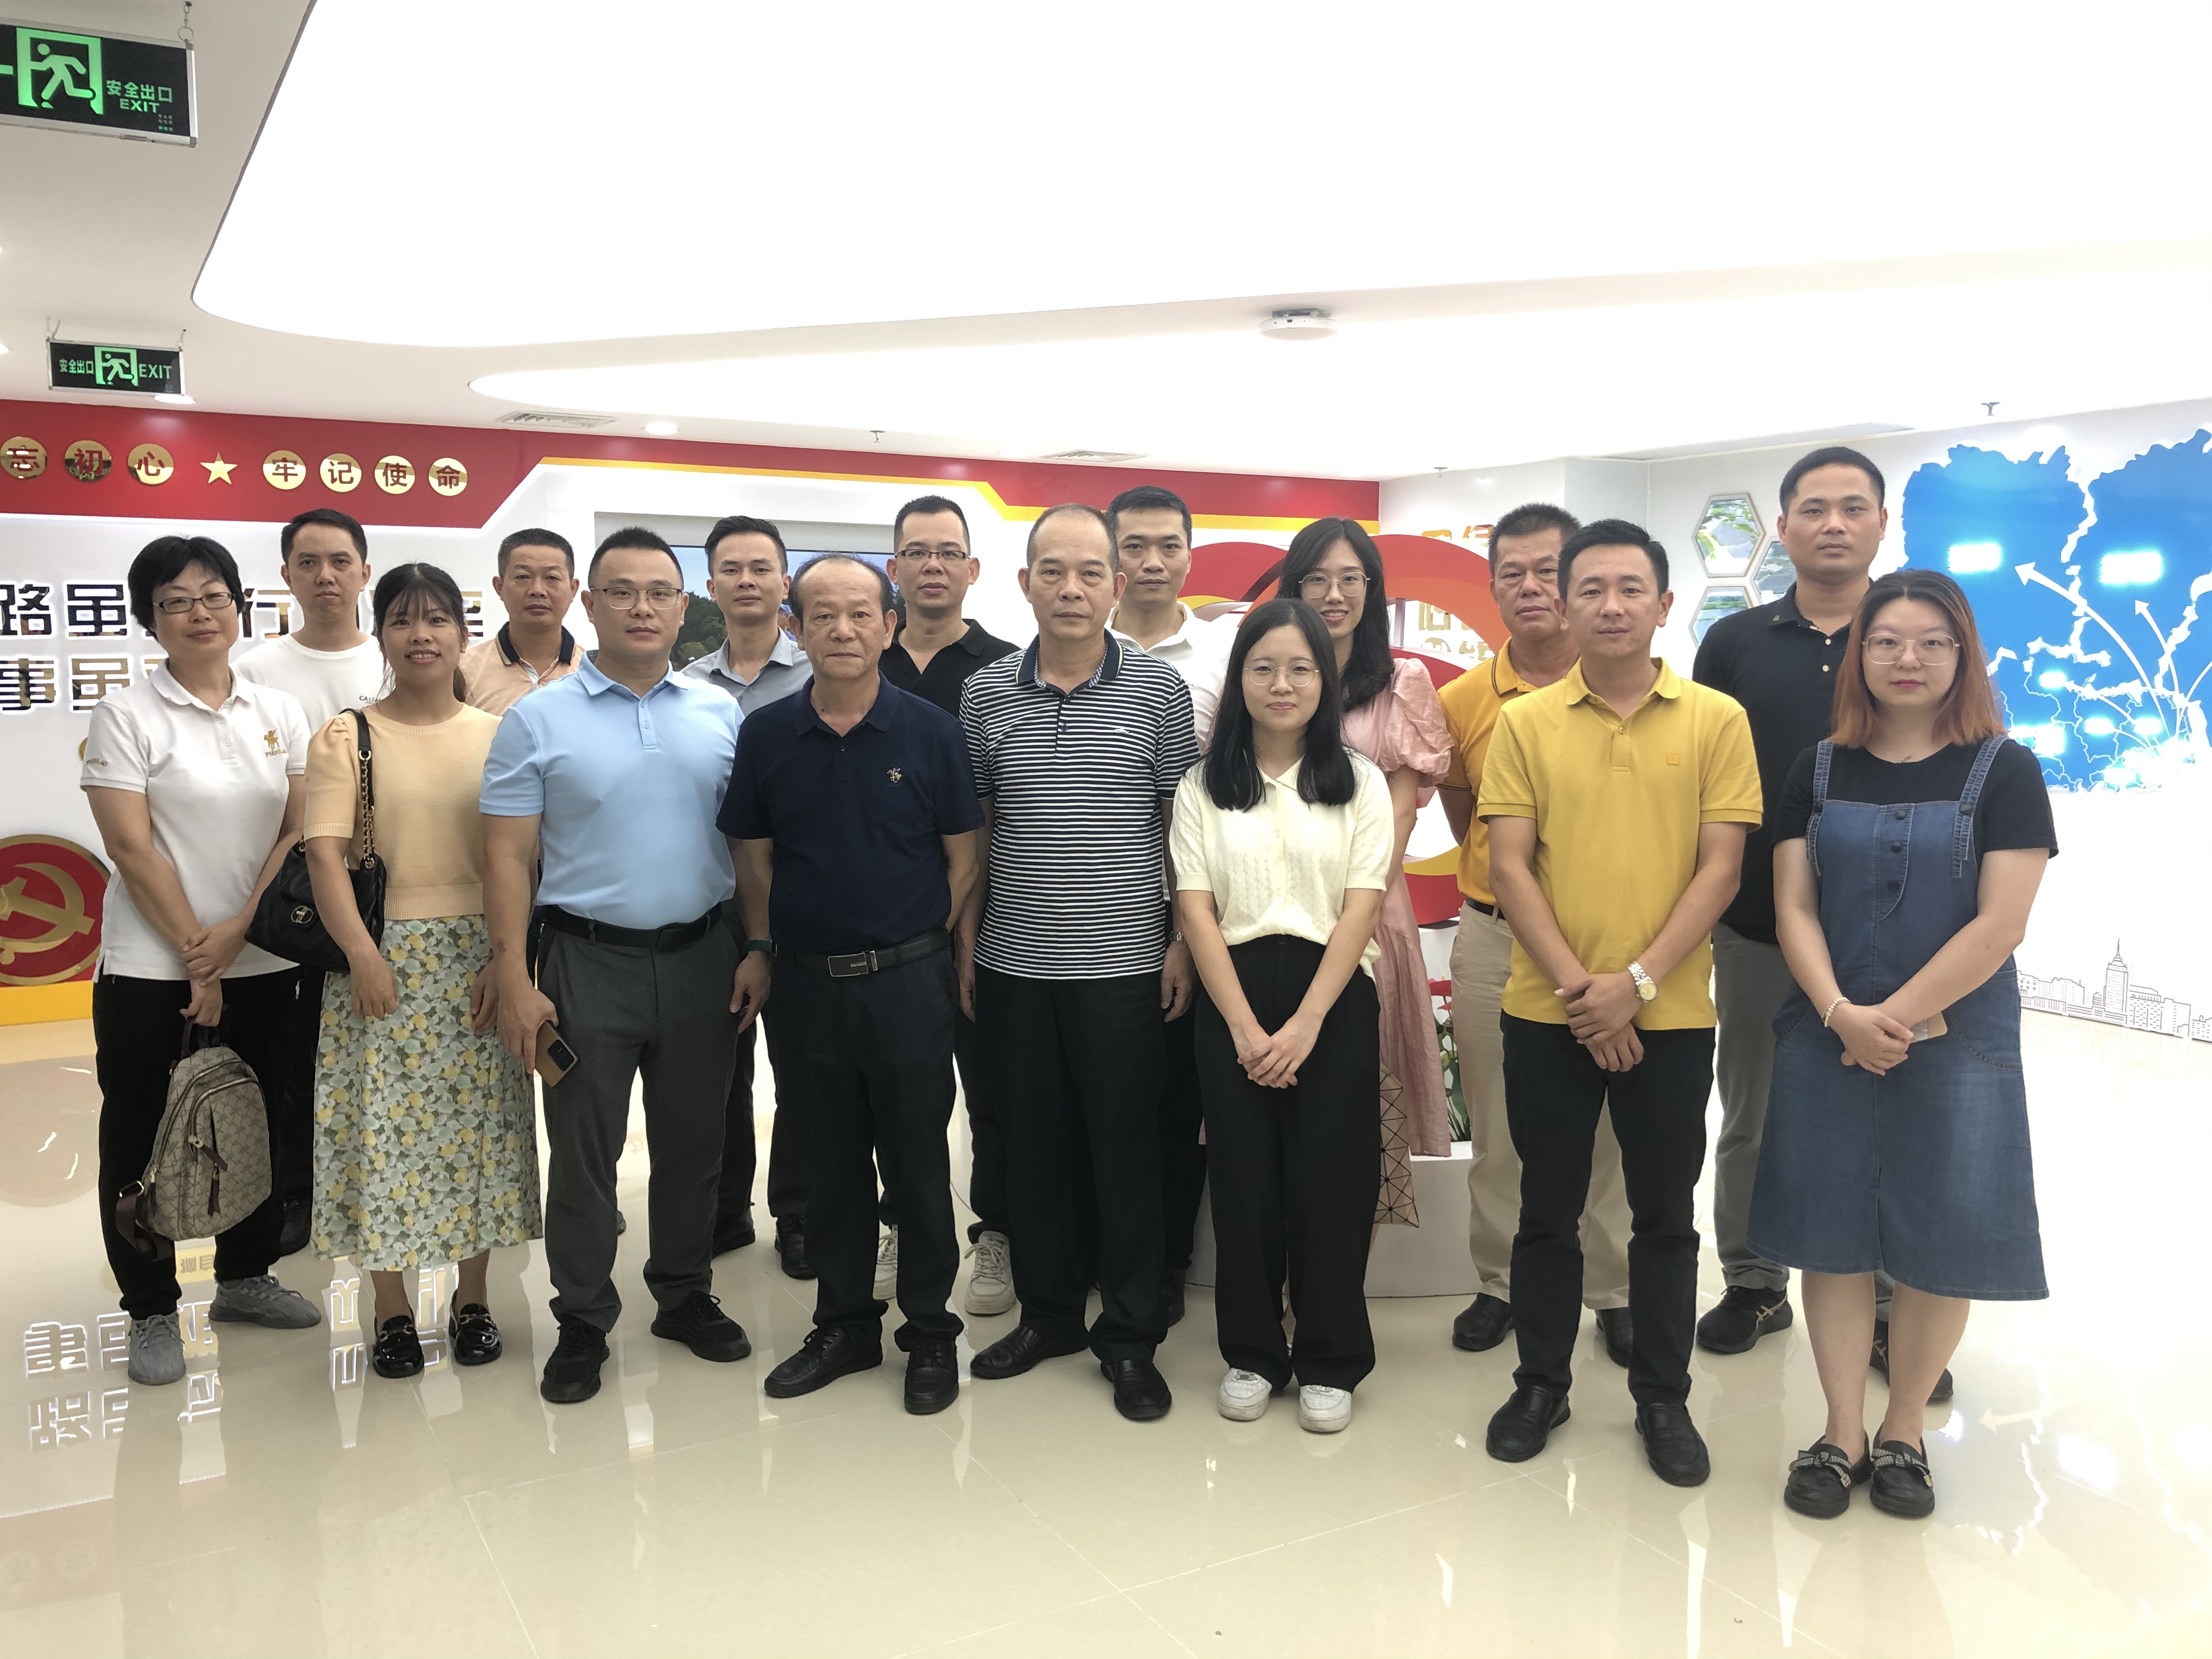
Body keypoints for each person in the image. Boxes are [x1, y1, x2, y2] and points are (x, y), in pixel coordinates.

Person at [1755, 569, 2051, 1520]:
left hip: (1958, 1041)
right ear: (1860, 655)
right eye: (1886, 641)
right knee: (1831, 1234)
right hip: (1828, 1030)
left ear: (1963, 655)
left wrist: (1896, 1017)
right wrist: (1841, 1011)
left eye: (1931, 642)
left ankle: (1905, 1431)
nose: (1907, 659)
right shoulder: (1818, 769)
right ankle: (1841, 1429)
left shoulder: (2004, 770)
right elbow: (1793, 906)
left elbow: (2001, 924)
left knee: (1939, 1235)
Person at [1477, 519, 1761, 1487]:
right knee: (1545, 1213)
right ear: (1564, 603)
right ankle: (1540, 1384)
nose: (1609, 605)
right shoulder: (1525, 722)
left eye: (1630, 588)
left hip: (1670, 1018)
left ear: (1664, 604)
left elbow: (1721, 869)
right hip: (1547, 1012)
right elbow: (1509, 867)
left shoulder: (1716, 719)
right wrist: (1582, 991)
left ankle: (1661, 1398)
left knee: (1665, 1219)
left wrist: (1633, 985)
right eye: (1589, 589)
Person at [479, 527, 749, 1405]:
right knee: (585, 1154)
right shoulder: (537, 717)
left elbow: (750, 850)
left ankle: (684, 1292)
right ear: (588, 605)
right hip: (585, 963)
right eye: (622, 592)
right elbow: (507, 859)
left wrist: (757, 948)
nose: (642, 607)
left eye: (659, 592)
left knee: (695, 1144)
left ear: (683, 605)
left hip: (703, 956)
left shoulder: (718, 712)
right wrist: (515, 979)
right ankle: (584, 1319)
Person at [721, 555, 983, 1413]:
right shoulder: (767, 735)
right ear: (795, 628)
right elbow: (754, 859)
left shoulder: (931, 732)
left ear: (889, 625)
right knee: (829, 1166)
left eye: (861, 614)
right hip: (806, 988)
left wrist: (926, 942)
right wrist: (764, 947)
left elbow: (964, 856)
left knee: (918, 1165)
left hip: (909, 984)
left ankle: (930, 1331)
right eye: (823, 616)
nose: (843, 630)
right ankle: (843, 1326)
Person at [960, 503, 1199, 1421]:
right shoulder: (985, 694)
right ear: (1024, 583)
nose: (1071, 588)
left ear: (1116, 583)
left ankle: (1130, 1335)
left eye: (1090, 572)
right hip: (1015, 963)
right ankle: (1051, 1316)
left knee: (1129, 1153)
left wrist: (1180, 941)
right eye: (1052, 572)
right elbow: (978, 831)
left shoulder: (1158, 692)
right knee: (1033, 1150)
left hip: (1127, 966)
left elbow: (1182, 829)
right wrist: (965, 941)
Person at [83, 534, 324, 1387]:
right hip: (151, 968)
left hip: (263, 960)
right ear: (150, 618)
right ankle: (151, 1307)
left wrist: (241, 931)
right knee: (141, 1132)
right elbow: (131, 847)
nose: (199, 613)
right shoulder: (127, 714)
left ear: (238, 607)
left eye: (214, 596)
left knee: (260, 1120)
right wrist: (201, 958)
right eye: (176, 601)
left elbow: (297, 829)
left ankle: (245, 1276)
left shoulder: (276, 709)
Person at [305, 563, 541, 1380]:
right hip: (381, 959)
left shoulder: (500, 734)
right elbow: (325, 858)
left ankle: (472, 1301)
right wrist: (362, 957)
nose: (422, 635)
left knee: (481, 1132)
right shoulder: (348, 737)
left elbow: (522, 859)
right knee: (380, 1135)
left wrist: (508, 962)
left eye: (438, 619)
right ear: (380, 635)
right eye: (403, 620)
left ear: (462, 634)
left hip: (481, 957)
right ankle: (392, 1309)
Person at [1173, 599, 1391, 1434]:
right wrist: (1241, 1027)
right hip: (1232, 993)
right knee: (1245, 1180)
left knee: (1333, 1182)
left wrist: (1304, 1025)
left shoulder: (1360, 783)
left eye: (1301, 668)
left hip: (1331, 996)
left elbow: (1363, 908)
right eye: (1263, 668)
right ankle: (1253, 1352)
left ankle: (1331, 1356)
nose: (1282, 684)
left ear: (1325, 681)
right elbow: (1196, 909)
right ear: (1240, 681)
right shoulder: (1202, 786)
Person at [1438, 505, 1635, 1366]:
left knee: (1609, 1127)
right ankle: (1501, 1284)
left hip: (1604, 938)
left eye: (1548, 570)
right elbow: (1468, 817)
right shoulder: (1462, 702)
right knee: (1498, 1124)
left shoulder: (1631, 693)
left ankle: (1614, 1290)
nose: (1530, 588)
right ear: (1492, 590)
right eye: (1511, 574)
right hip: (1495, 936)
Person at [1275, 519, 1452, 1224]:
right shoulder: (1272, 676)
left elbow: (1402, 813)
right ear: (1293, 587)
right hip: (1277, 905)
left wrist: (1351, 900)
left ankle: (1343, 1265)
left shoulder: (1401, 683)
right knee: (1281, 1085)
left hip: (1371, 907)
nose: (1334, 594)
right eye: (1317, 578)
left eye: (1351, 578)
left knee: (1365, 1098)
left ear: (1372, 589)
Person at [879, 494, 1019, 1315]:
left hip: (991, 919)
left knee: (991, 1087)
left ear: (973, 569)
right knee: (902, 1089)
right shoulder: (863, 659)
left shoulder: (1007, 669)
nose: (932, 566)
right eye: (916, 552)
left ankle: (996, 1230)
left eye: (947, 552)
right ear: (894, 567)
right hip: (886, 919)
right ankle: (901, 1220)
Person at [236, 507, 384, 1258]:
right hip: (297, 881)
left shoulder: (392, 657)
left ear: (365, 572)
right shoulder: (257, 670)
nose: (325, 576)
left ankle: (379, 1178)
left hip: (386, 885)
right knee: (297, 1053)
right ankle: (297, 1191)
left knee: (377, 1041)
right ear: (286, 576)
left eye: (340, 561)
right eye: (308, 563)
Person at [1108, 482, 1231, 1326]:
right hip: (1093, 911)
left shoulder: (1226, 654)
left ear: (1190, 552)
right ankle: (1102, 1250)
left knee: (1177, 1098)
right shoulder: (1072, 647)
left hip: (1196, 912)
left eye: (1168, 545)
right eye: (1134, 546)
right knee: (1100, 1092)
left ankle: (1169, 1259)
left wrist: (1190, 930)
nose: (1152, 562)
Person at [680, 515, 815, 1277]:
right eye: (730, 569)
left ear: (784, 581)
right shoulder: (686, 686)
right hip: (715, 903)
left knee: (801, 1067)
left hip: (802, 900)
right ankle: (724, 1212)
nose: (746, 580)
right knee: (718, 1068)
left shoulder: (821, 673)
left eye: (761, 567)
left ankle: (798, 1212)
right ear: (710, 585)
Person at [460, 528, 582, 715]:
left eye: (552, 578)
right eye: (523, 577)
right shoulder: (462, 671)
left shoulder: (594, 672)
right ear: (500, 587)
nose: (537, 590)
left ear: (573, 589)